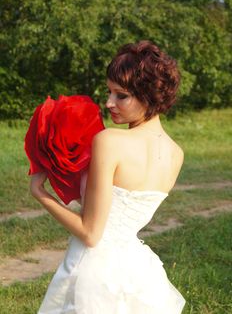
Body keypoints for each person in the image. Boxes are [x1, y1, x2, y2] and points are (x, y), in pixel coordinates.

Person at [31, 40, 186, 313]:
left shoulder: (110, 141)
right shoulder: (176, 153)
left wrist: (41, 193)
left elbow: (91, 234)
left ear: (149, 95)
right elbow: (112, 213)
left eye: (121, 95)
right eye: (109, 92)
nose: (108, 102)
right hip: (135, 272)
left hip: (92, 270)